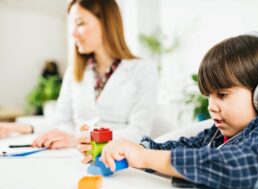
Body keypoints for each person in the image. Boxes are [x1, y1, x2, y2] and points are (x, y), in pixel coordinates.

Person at [79, 32, 258, 189]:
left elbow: (247, 166)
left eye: (222, 94)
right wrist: (125, 151)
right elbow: (176, 149)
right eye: (209, 96)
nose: (212, 106)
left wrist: (145, 158)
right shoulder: (215, 135)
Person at [0, 0, 158, 148]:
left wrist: (81, 139)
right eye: (72, 26)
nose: (73, 33)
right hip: (75, 157)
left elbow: (139, 133)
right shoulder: (75, 71)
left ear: (106, 23)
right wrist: (17, 127)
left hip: (120, 160)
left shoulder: (143, 70)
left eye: (80, 23)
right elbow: (60, 121)